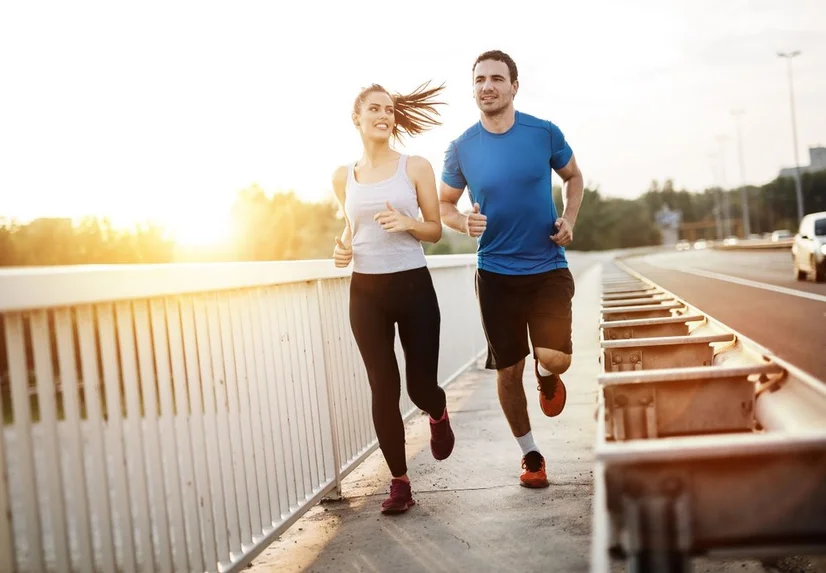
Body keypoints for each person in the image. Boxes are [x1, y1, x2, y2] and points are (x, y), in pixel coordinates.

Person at [438, 50, 584, 489]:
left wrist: (569, 220)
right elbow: (445, 203)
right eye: (480, 79)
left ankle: (546, 374)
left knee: (555, 357)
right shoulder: (462, 147)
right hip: (496, 274)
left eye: (497, 78)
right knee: (507, 371)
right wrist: (463, 221)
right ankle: (531, 455)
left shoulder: (543, 133)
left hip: (546, 265)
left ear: (514, 86)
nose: (487, 86)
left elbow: (574, 177)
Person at [331, 81, 455, 514]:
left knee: (420, 386)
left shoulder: (415, 167)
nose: (384, 115)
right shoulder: (342, 176)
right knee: (383, 387)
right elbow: (351, 229)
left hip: (412, 286)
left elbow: (435, 231)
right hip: (366, 292)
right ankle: (399, 482)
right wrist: (341, 249)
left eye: (389, 109)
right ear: (358, 117)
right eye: (375, 109)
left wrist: (408, 222)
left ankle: (437, 414)